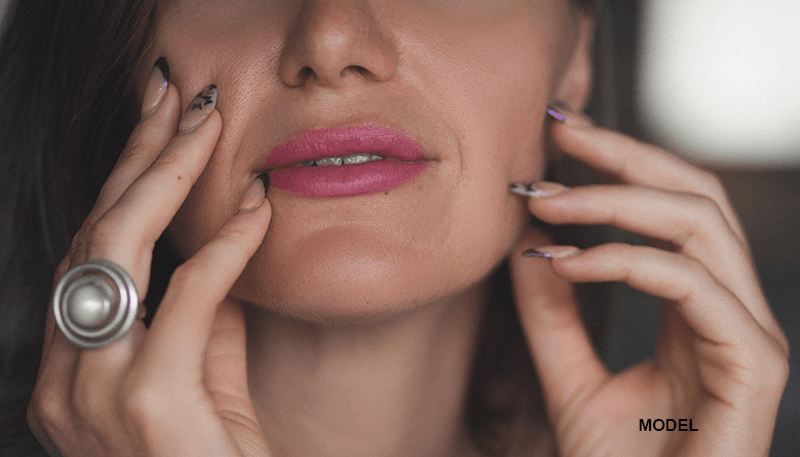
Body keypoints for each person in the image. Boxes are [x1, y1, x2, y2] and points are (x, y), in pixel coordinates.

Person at [0, 0, 788, 455]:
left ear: (573, 57)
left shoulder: (659, 427)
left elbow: (669, 421)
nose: (333, 42)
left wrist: (677, 423)